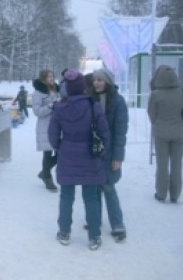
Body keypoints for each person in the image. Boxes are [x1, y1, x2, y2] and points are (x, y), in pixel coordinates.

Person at [48, 69, 109, 251]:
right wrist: (101, 149)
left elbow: (52, 134)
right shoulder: (93, 105)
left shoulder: (59, 107)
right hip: (90, 156)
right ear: (83, 87)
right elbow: (105, 132)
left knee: (66, 197)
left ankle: (64, 232)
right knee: (91, 198)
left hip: (67, 154)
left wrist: (61, 147)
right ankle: (94, 237)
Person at [91, 68, 129, 242]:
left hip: (110, 152)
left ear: (108, 81)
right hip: (92, 151)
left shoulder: (118, 101)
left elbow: (121, 132)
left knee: (108, 187)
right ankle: (94, 220)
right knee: (93, 188)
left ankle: (117, 223)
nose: (97, 83)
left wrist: (118, 157)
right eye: (95, 80)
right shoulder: (90, 99)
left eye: (100, 79)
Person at [147, 65, 183, 203]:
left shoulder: (156, 94)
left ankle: (161, 193)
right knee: (177, 164)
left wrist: (158, 123)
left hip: (161, 132)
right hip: (179, 132)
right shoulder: (181, 91)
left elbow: (151, 114)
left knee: (162, 164)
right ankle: (175, 194)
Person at [32, 69, 59, 192]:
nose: (51, 79)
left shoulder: (57, 89)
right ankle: (47, 178)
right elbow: (37, 111)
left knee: (61, 153)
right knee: (48, 153)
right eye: (48, 77)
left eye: (52, 76)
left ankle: (44, 172)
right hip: (46, 126)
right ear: (43, 79)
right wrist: (51, 105)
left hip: (59, 125)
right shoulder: (38, 92)